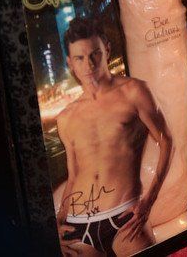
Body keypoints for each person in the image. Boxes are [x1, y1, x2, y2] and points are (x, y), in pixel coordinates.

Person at [55, 18, 172, 256]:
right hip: (77, 225)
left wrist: (149, 200)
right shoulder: (65, 118)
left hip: (125, 217)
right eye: (79, 58)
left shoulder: (134, 91)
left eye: (94, 54)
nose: (88, 64)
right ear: (70, 63)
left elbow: (166, 141)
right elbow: (74, 174)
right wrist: (57, 222)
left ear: (106, 50)